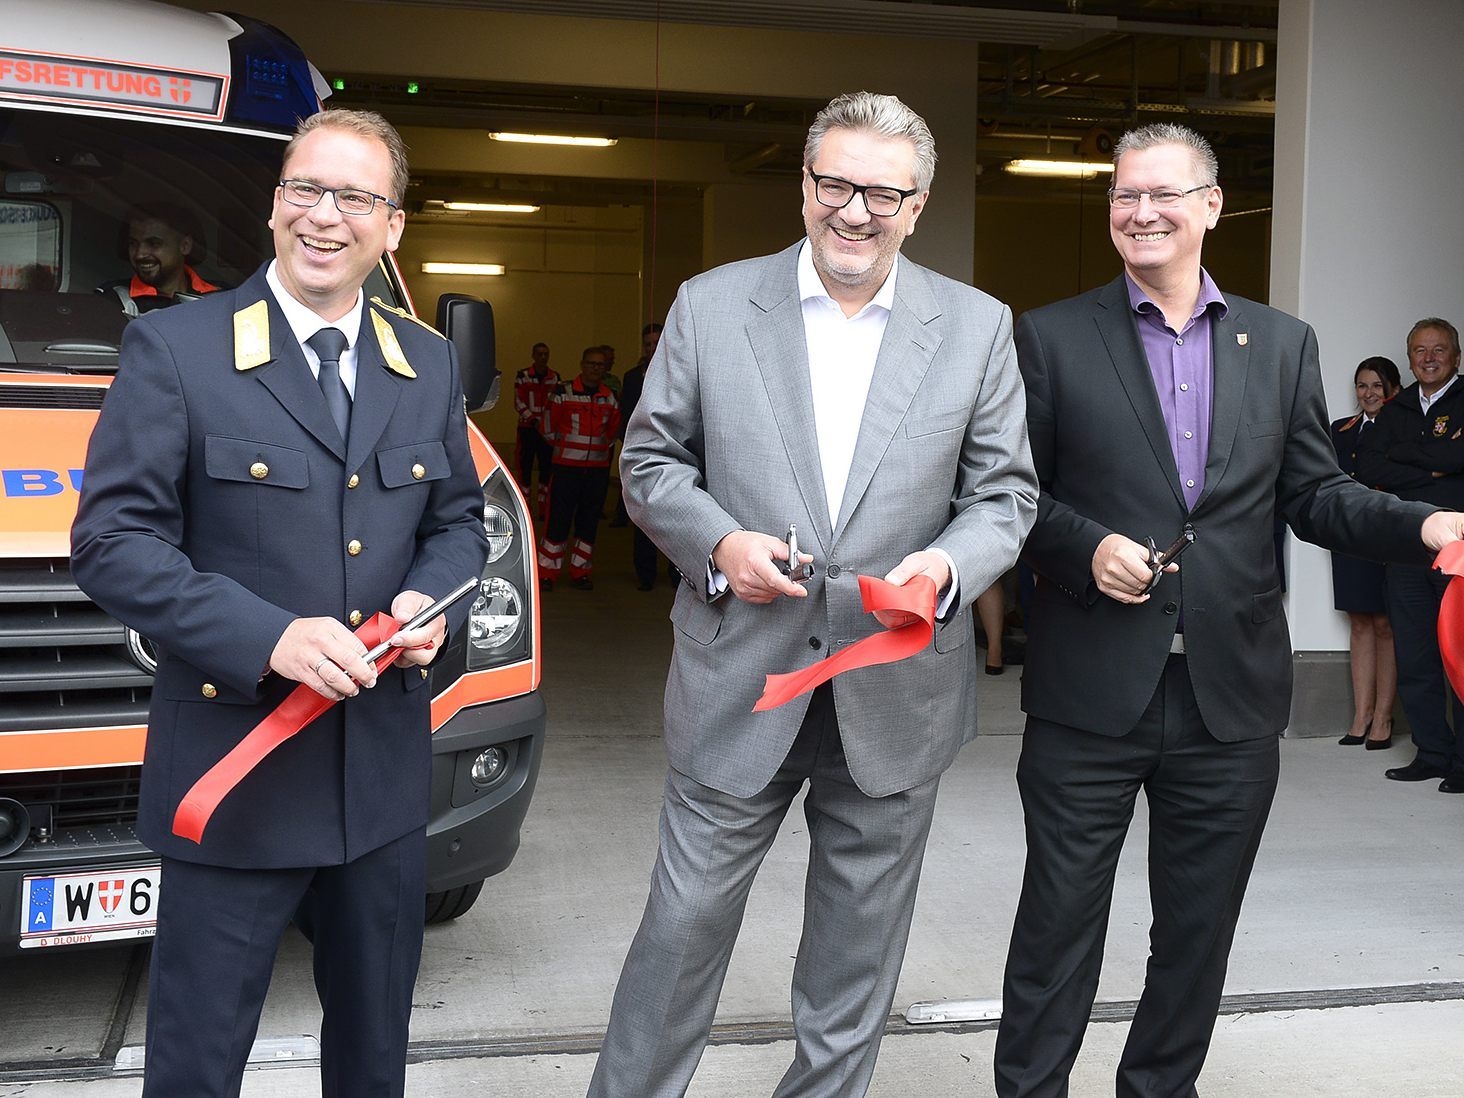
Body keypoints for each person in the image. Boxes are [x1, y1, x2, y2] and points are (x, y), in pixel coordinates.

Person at [996, 122, 1462, 1098]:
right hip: (1089, 694)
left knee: (1198, 930)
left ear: (1212, 205)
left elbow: (1314, 494)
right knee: (1056, 924)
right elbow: (1008, 495)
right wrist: (1088, 547)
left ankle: (1159, 1089)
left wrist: (1425, 527)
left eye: (1164, 193)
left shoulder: (1280, 342)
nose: (1142, 211)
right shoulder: (1049, 334)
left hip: (1230, 699)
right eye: (1125, 195)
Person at [590, 91, 1037, 1098]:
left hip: (894, 687)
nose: (855, 210)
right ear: (803, 186)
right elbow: (652, 460)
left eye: (883, 192)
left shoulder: (974, 327)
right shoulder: (713, 306)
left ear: (916, 205)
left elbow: (1005, 493)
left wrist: (947, 568)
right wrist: (719, 543)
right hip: (739, 676)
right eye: (835, 183)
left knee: (855, 957)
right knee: (681, 931)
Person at [70, 109, 488, 1098]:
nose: (324, 216)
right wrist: (274, 638)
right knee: (197, 1066)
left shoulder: (423, 363)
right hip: (236, 778)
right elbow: (112, 545)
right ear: (273, 206)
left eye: (356, 197)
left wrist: (430, 603)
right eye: (305, 189)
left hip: (379, 789)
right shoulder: (177, 349)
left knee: (372, 1061)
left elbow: (458, 525)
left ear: (392, 228)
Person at [1355, 319, 1464, 791]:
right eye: (1419, 350)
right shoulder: (1396, 407)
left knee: (1460, 655)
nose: (1429, 357)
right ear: (1410, 356)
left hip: (1459, 548)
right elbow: (1371, 466)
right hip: (1406, 547)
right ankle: (1432, 752)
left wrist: (1413, 462)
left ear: (1456, 356)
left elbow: (1458, 463)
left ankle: (1463, 762)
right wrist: (1436, 461)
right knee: (1416, 655)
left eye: (1439, 349)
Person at [1330, 356, 1403, 748]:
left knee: (1384, 624)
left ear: (1391, 388)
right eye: (1362, 385)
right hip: (1349, 536)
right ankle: (1360, 715)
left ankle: (1384, 719)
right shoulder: (1340, 430)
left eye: (1377, 385)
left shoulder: (1403, 427)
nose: (1369, 393)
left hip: (1388, 534)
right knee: (1359, 622)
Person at [537, 345, 620, 591]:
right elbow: (547, 427)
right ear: (582, 365)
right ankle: (547, 573)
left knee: (588, 522)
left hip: (596, 470)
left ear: (605, 369)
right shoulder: (563, 392)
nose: (595, 368)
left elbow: (614, 430)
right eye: (591, 363)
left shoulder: (610, 397)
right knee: (557, 521)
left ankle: (580, 572)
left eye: (600, 365)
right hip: (565, 468)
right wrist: (566, 448)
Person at [98, 203, 218, 316]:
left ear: (185, 245)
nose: (139, 254)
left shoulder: (220, 296)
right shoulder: (112, 299)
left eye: (153, 244)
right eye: (133, 244)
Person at [617, 322, 664, 585]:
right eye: (648, 344)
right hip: (643, 453)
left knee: (679, 516)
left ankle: (677, 575)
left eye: (657, 342)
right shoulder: (633, 377)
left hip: (680, 453)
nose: (652, 348)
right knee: (644, 512)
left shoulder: (682, 370)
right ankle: (645, 574)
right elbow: (626, 415)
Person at [513, 341, 560, 511]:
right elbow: (518, 401)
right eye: (539, 354)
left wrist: (548, 422)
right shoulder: (523, 375)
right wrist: (532, 419)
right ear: (533, 356)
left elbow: (557, 403)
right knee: (525, 464)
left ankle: (543, 503)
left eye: (546, 354)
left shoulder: (555, 377)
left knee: (546, 465)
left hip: (547, 431)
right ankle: (525, 502)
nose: (543, 357)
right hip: (528, 428)